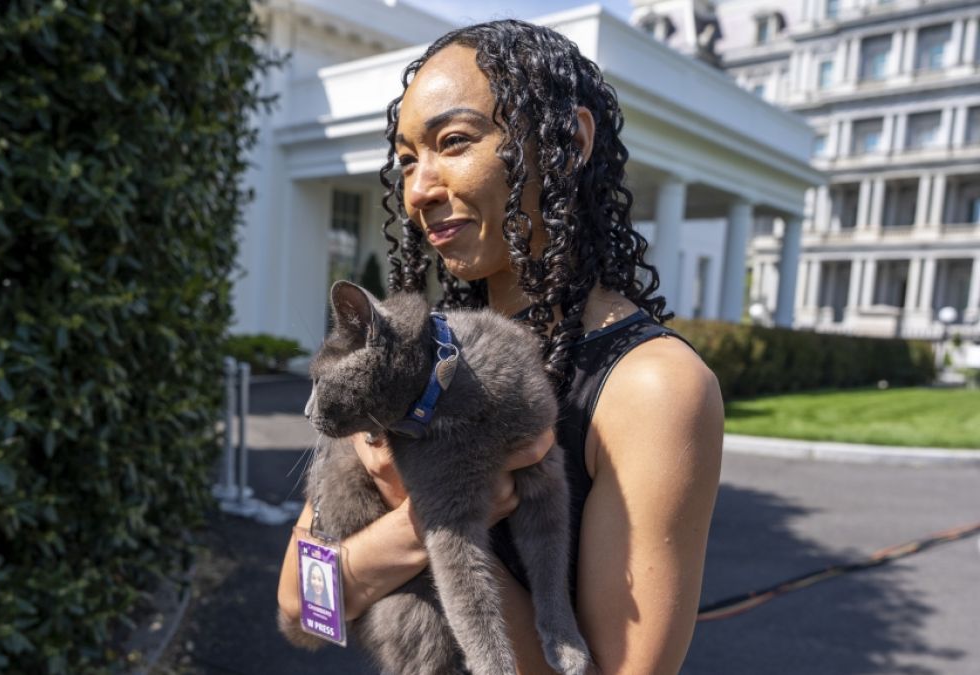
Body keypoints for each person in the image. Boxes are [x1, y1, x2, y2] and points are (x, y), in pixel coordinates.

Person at [277, 19, 723, 674]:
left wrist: (433, 514)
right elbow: (300, 611)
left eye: (452, 141)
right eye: (406, 160)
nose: (419, 188)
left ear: (567, 143)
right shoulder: (413, 358)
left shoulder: (651, 389)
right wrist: (419, 519)